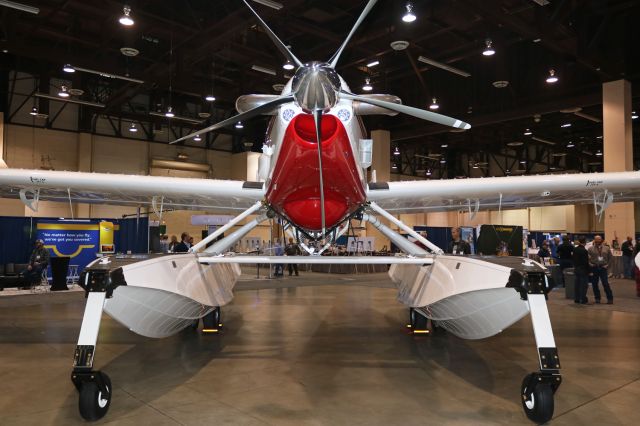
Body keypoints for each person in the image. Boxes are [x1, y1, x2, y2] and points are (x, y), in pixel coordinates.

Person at [588, 235, 613, 304]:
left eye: (599, 239)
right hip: (594, 268)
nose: (598, 241)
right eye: (596, 239)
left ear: (601, 240)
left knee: (605, 283)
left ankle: (610, 298)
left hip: (603, 268)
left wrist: (607, 265)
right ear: (594, 240)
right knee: (594, 284)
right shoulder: (590, 249)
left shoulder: (607, 248)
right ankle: (597, 298)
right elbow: (587, 259)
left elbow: (610, 258)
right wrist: (590, 264)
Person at [572, 237, 589, 304]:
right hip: (583, 269)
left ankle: (577, 298)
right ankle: (583, 299)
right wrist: (589, 270)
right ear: (585, 242)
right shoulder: (584, 251)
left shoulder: (575, 249)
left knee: (577, 285)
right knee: (583, 285)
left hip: (576, 268)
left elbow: (573, 259)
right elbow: (585, 262)